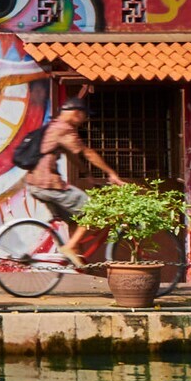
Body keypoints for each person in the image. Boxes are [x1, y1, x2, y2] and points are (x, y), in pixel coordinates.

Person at [23, 96, 126, 266]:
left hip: (35, 184)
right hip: (48, 184)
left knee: (73, 219)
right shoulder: (64, 128)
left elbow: (72, 154)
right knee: (92, 210)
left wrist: (87, 174)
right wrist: (112, 174)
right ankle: (70, 247)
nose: (84, 120)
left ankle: (76, 255)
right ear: (77, 113)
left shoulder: (53, 126)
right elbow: (87, 153)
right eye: (84, 115)